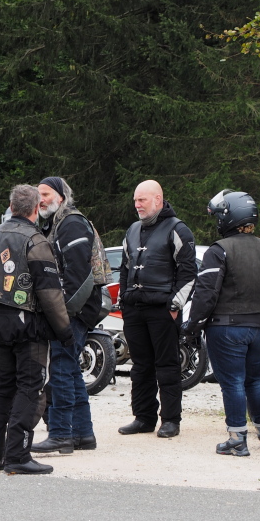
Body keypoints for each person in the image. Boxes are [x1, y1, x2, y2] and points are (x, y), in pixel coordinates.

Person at [0, 184, 73, 475]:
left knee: (0, 388)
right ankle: (17, 455)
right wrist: (65, 331)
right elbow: (50, 294)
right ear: (36, 208)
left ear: (12, 206)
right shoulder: (36, 241)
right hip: (30, 329)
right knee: (30, 389)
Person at [183, 190, 260, 456]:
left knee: (233, 382)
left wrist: (193, 325)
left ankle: (237, 439)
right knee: (256, 378)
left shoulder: (219, 250)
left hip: (228, 327)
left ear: (228, 217)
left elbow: (206, 293)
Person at [116, 179, 197, 438]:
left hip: (163, 310)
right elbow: (125, 268)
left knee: (168, 365)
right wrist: (124, 299)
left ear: (158, 200)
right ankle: (143, 418)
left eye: (142, 200)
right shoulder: (132, 230)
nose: (137, 205)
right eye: (135, 200)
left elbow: (189, 273)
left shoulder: (178, 229)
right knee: (140, 366)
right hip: (135, 309)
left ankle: (171, 420)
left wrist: (174, 305)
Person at [30, 176, 100, 455]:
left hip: (75, 308)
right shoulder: (54, 224)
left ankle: (60, 434)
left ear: (61, 196)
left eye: (46, 194)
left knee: (60, 369)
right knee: (70, 370)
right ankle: (83, 434)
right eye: (38, 195)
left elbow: (79, 275)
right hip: (72, 308)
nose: (41, 199)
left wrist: (64, 315)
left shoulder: (71, 223)